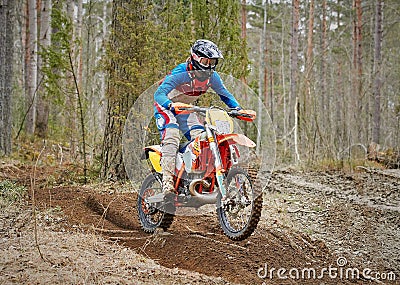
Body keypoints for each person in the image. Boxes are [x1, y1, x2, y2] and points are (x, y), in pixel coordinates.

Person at [153, 39, 248, 200]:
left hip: (186, 109)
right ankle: (167, 183)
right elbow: (159, 94)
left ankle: (193, 177)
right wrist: (170, 105)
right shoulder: (180, 72)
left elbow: (225, 95)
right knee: (172, 136)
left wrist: (237, 109)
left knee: (201, 139)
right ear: (195, 58)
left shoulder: (212, 77)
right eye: (205, 61)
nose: (209, 65)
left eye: (212, 62)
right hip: (166, 107)